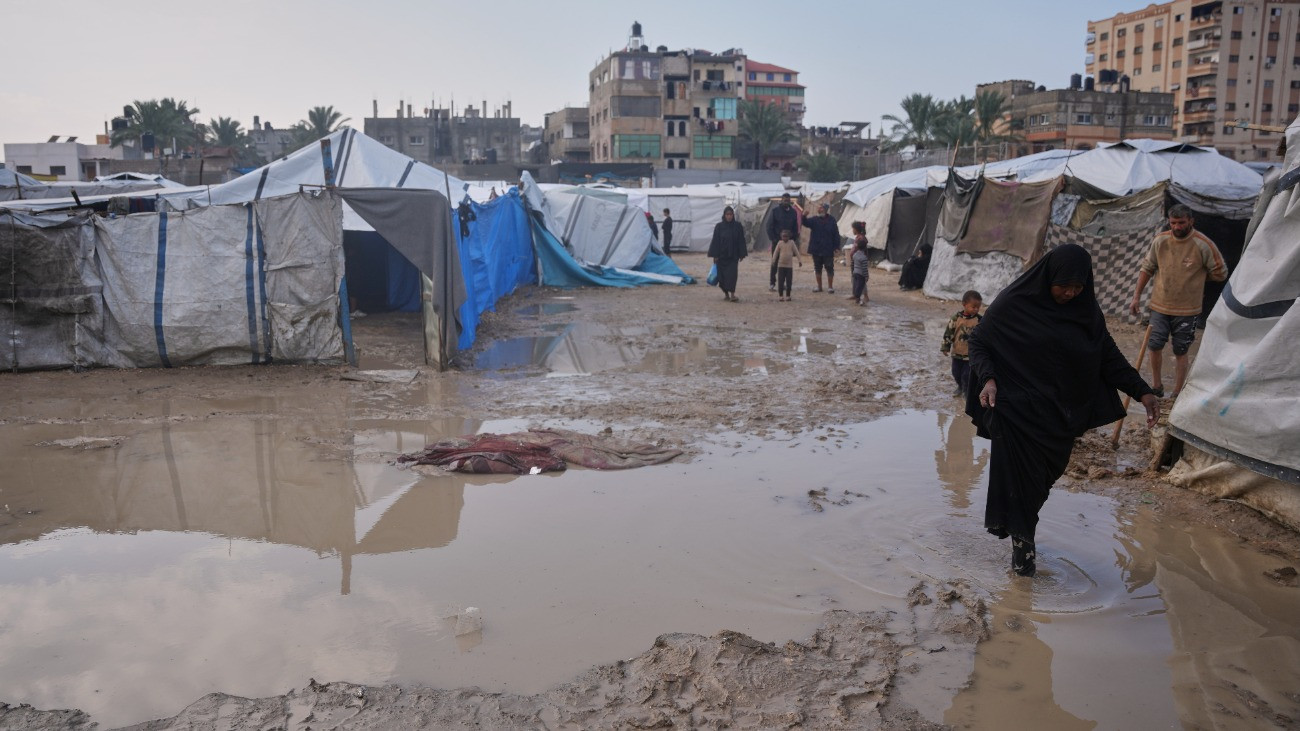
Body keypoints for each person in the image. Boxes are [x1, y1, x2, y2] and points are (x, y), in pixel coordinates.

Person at [967, 244, 1159, 577]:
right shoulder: (1015, 303)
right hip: (1015, 412)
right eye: (1063, 285)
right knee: (1022, 491)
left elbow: (1108, 357)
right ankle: (1023, 566)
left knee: (1040, 486)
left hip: (1060, 418)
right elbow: (979, 342)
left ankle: (1022, 539)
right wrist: (989, 380)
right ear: (1048, 278)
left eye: (1078, 286)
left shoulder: (1086, 312)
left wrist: (1142, 391)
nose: (1070, 292)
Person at [1128, 204, 1228, 399]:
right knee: (1154, 345)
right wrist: (1136, 296)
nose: (1177, 227)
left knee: (1181, 350)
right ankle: (1157, 386)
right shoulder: (1161, 241)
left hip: (1188, 310)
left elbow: (1220, 272)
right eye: (1173, 223)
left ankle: (1176, 393)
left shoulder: (1202, 244)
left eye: (1181, 223)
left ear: (1191, 221)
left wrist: (1197, 278)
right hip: (1159, 305)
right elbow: (1147, 267)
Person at [941, 290, 982, 395]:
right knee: (956, 373)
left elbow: (985, 335)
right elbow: (948, 333)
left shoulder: (979, 320)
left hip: (971, 355)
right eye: (973, 307)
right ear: (964, 304)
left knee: (967, 374)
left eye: (978, 307)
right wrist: (945, 347)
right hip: (957, 353)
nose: (976, 309)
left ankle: (966, 390)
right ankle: (960, 386)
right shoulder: (956, 318)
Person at [708, 206, 747, 302]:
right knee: (722, 277)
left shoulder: (738, 226)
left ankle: (733, 295)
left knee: (732, 276)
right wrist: (715, 255)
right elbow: (715, 241)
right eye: (727, 215)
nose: (729, 216)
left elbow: (741, 240)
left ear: (733, 215)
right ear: (724, 215)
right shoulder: (719, 227)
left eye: (731, 214)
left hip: (733, 256)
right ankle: (726, 294)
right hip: (721, 256)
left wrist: (742, 254)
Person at [802, 203, 840, 293]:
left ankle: (830, 287)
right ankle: (819, 287)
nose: (819, 210)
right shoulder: (814, 219)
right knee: (817, 267)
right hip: (816, 248)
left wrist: (836, 247)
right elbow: (805, 223)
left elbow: (836, 234)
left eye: (821, 208)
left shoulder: (832, 220)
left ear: (826, 210)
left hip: (828, 248)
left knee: (829, 267)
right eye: (819, 208)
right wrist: (804, 216)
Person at [766, 193, 800, 292]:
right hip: (777, 242)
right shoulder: (775, 211)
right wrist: (774, 239)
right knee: (774, 262)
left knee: (787, 263)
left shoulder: (793, 212)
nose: (786, 201)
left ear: (790, 201)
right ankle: (772, 283)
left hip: (789, 243)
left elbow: (795, 227)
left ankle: (784, 283)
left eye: (788, 200)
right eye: (784, 200)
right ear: (781, 200)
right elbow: (769, 226)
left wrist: (793, 238)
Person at [772, 229, 802, 301]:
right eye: (783, 236)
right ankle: (781, 296)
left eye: (786, 236)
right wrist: (773, 261)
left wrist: (800, 261)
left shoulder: (791, 243)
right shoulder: (779, 243)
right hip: (781, 265)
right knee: (781, 281)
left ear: (789, 237)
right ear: (781, 236)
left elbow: (796, 252)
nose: (785, 238)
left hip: (789, 266)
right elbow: (775, 253)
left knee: (789, 282)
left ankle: (788, 295)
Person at [850, 236, 871, 306]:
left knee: (856, 286)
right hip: (861, 274)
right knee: (860, 286)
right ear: (865, 248)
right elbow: (864, 268)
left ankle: (857, 299)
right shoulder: (864, 257)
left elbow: (852, 264)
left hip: (855, 273)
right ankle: (858, 299)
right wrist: (866, 276)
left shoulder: (855, 255)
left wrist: (853, 271)